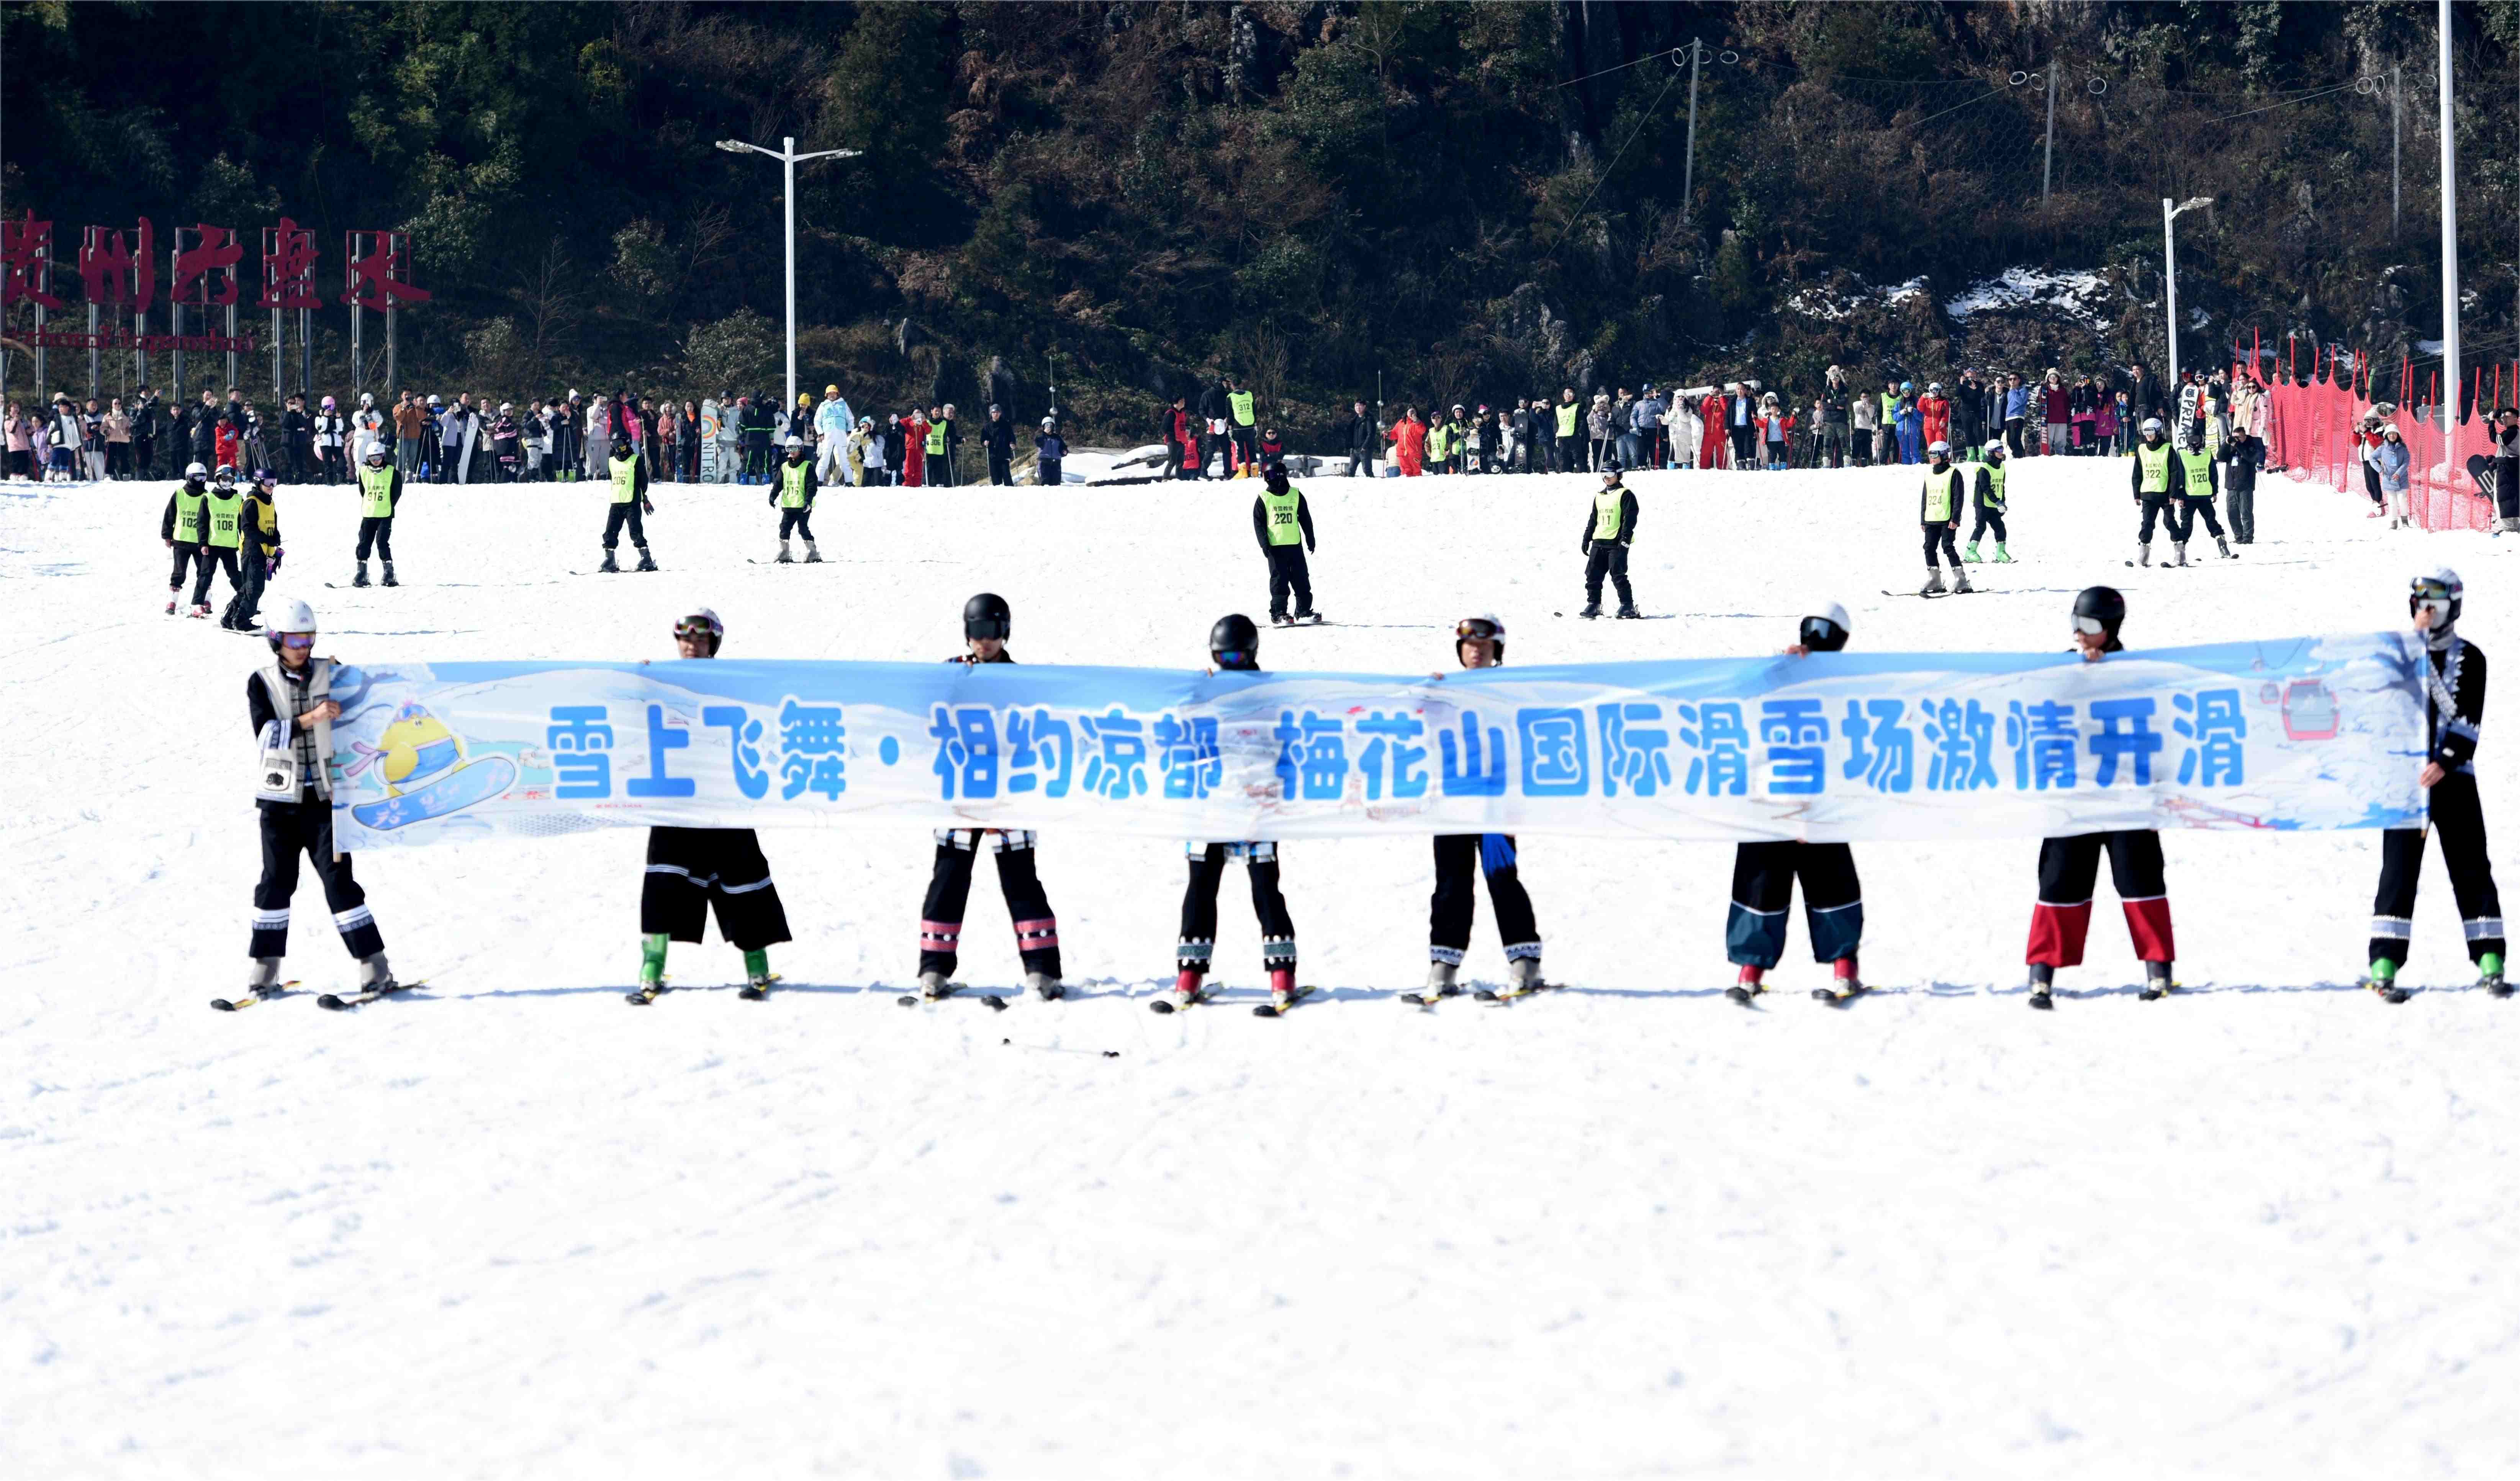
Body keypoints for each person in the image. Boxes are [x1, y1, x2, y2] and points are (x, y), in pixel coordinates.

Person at [235, 597, 396, 1006]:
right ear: (276, 640)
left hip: (327, 803)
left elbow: (373, 705)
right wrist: (312, 718)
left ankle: (374, 967)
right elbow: (267, 736)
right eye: (293, 639)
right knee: (275, 884)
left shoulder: (332, 673)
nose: (303, 646)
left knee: (339, 883)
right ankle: (264, 970)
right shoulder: (262, 682)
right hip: (279, 803)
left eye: (308, 638)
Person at [629, 608, 793, 1003]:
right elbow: (629, 712)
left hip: (724, 797)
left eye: (701, 640)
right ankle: (652, 967)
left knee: (743, 879)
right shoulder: (662, 677)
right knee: (663, 882)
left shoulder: (730, 682)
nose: (691, 646)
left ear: (713, 644)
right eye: (685, 639)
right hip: (676, 800)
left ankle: (757, 966)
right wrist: (640, 680)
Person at [2024, 587, 2174, 1010]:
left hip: (2128, 796)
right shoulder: (2063, 672)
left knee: (2140, 879)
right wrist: (2079, 677)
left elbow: (2159, 727)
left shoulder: (2137, 673)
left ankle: (2158, 966)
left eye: (2087, 626)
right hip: (2076, 797)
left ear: (2110, 629)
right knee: (2060, 880)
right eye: (2075, 624)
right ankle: (2042, 972)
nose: (2078, 633)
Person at [912, 593, 1066, 1003]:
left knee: (1020, 879)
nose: (985, 642)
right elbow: (920, 711)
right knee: (948, 878)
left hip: (1008, 795)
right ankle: (934, 968)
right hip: (961, 793)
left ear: (1005, 633)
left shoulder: (1019, 681)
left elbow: (1044, 724)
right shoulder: (951, 675)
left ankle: (1042, 970)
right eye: (978, 633)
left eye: (993, 632)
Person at [2366, 568, 2505, 1001]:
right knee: (2398, 873)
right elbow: (2384, 708)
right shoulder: (2399, 657)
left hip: (2454, 781)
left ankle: (2490, 959)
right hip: (2404, 786)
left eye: (2433, 605)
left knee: (2471, 866)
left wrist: (2445, 762)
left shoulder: (2472, 658)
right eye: (2418, 604)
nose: (2424, 612)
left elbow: (2469, 721)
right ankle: (2384, 962)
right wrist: (2414, 646)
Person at [1158, 615, 1300, 1015]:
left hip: (1257, 806)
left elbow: (1288, 743)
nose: (1232, 665)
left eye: (1238, 656)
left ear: (1252, 652)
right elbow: (1176, 731)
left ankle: (1281, 974)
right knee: (1201, 888)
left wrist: (1281, 796)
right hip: (1211, 807)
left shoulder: (1269, 694)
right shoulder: (1207, 693)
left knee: (1266, 889)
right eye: (1224, 657)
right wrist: (1195, 691)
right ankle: (1189, 975)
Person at [1725, 602, 1866, 1005]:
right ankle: (1753, 973)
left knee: (1819, 882)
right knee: (1768, 882)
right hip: (1782, 799)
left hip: (1807, 800)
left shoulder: (1843, 682)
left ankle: (1840, 971)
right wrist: (1781, 665)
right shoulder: (1780, 671)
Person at [1415, 615, 1547, 1002]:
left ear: (1496, 652)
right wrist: (1424, 696)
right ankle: (1445, 965)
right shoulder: (1445, 692)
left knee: (1503, 880)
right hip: (1452, 804)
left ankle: (1525, 961)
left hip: (1496, 809)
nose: (1476, 652)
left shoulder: (1508, 694)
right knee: (1451, 886)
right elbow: (1411, 727)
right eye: (1470, 647)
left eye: (1485, 648)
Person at [1254, 459, 1319, 625]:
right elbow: (1259, 523)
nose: (1268, 478)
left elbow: (1305, 518)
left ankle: (1303, 612)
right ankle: (1279, 613)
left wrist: (1310, 539)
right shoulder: (1264, 498)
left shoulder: (1295, 495)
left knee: (1302, 579)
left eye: (1270, 475)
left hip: (1294, 546)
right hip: (1275, 549)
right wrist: (1264, 544)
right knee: (1279, 581)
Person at [221, 470, 282, 631]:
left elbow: (271, 525)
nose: (271, 487)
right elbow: (248, 529)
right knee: (255, 588)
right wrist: (267, 539)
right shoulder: (251, 502)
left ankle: (229, 617)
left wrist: (275, 538)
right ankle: (241, 620)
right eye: (268, 483)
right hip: (252, 549)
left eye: (274, 483)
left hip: (264, 550)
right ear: (258, 483)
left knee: (249, 586)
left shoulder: (270, 502)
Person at [1578, 458, 1639, 619]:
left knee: (1618, 574)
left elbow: (1630, 518)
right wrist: (1587, 538)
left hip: (1616, 542)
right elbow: (1593, 519)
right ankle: (1594, 604)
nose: (1607, 477)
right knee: (1592, 575)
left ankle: (1628, 605)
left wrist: (1625, 538)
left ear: (1619, 475)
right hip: (1599, 541)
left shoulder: (1625, 495)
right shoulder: (1599, 496)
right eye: (1604, 473)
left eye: (1610, 473)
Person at [2167, 424, 2234, 563]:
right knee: (2186, 526)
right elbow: (2179, 476)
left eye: (2197, 438)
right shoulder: (2183, 454)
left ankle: (2223, 547)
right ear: (2187, 440)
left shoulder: (2207, 453)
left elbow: (2213, 473)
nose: (2195, 442)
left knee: (2212, 522)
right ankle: (2180, 554)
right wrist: (2180, 496)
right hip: (2188, 496)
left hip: (2205, 495)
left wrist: (2215, 491)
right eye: (2192, 439)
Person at [1916, 440, 1970, 596]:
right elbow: (1925, 498)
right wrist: (1923, 519)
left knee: (1948, 547)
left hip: (1947, 519)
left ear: (1944, 455)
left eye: (1934, 454)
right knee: (1929, 548)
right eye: (1930, 454)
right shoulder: (1929, 475)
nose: (1931, 458)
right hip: (1931, 518)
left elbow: (1958, 498)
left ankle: (1961, 579)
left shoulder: (1954, 473)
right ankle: (1935, 580)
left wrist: (1956, 518)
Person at [161, 460, 215, 616]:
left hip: (201, 543)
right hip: (181, 541)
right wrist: (167, 535)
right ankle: (172, 601)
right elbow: (169, 515)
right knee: (179, 573)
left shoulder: (208, 497)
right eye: (198, 478)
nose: (202, 482)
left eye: (204, 478)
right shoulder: (179, 494)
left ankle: (206, 599)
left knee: (204, 573)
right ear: (190, 478)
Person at [598, 438, 657, 573]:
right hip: (616, 502)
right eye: (617, 445)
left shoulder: (636, 460)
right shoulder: (612, 461)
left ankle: (646, 559)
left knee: (635, 531)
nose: (620, 449)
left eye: (622, 445)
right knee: (610, 532)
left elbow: (643, 482)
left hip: (632, 503)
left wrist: (645, 500)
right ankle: (610, 560)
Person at [350, 443, 404, 589]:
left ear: (383, 456)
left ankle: (389, 573)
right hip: (368, 514)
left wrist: (388, 505)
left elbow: (396, 493)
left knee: (382, 543)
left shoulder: (392, 472)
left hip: (385, 514)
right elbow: (363, 491)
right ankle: (362, 573)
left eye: (378, 458)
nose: (375, 461)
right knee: (364, 543)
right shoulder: (363, 472)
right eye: (372, 458)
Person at [2128, 416, 2178, 568]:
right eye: (2145, 433)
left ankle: (2180, 554)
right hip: (2148, 493)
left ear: (2158, 431)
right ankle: (2143, 557)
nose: (2148, 435)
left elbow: (2175, 473)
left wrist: (2173, 494)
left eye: (2150, 432)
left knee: (2169, 522)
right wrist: (2136, 494)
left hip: (2165, 494)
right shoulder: (2142, 449)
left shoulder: (2168, 448)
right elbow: (2137, 473)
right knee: (2147, 524)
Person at [769, 434, 821, 563]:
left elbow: (812, 486)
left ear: (801, 449)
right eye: (788, 449)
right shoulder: (785, 467)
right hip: (789, 505)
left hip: (803, 505)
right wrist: (773, 495)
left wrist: (808, 501)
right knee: (784, 528)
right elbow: (778, 484)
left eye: (794, 448)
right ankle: (784, 552)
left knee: (803, 528)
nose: (791, 452)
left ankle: (812, 552)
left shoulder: (807, 466)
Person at [1960, 440, 2012, 564]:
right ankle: (1970, 552)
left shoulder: (2002, 467)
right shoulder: (1984, 469)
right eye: (1999, 450)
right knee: (1981, 527)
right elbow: (1986, 488)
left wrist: (2002, 501)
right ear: (1991, 453)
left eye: (2002, 449)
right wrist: (1998, 502)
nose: (2002, 452)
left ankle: (2001, 553)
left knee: (2000, 528)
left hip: (1994, 503)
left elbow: (2001, 486)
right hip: (1982, 503)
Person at [2223, 425, 2263, 544]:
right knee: (2232, 513)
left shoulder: (2251, 445)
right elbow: (2221, 457)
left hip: (2245, 486)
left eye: (2239, 438)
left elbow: (2250, 458)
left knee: (2246, 512)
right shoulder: (2232, 448)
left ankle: (2248, 537)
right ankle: (2239, 536)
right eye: (2235, 437)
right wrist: (2226, 444)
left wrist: (2238, 445)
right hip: (2231, 485)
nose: (2236, 440)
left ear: (2244, 437)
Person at [2373, 423, 2413, 530]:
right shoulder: (2382, 449)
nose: (2392, 436)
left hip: (2402, 479)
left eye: (2394, 434)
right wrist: (2380, 469)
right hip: (2389, 479)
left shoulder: (2403, 449)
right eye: (2390, 434)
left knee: (2402, 500)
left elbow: (2406, 461)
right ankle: (2394, 523)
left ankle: (2405, 522)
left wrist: (2399, 473)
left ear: (2398, 435)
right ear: (2386, 435)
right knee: (2392, 502)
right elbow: (2372, 458)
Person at [2491, 407, 2520, 536]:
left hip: (2507, 470)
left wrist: (2492, 421)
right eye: (2504, 417)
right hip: (2513, 468)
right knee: (2512, 496)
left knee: (2503, 497)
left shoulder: (2512, 432)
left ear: (2516, 419)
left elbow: (2495, 438)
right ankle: (2513, 526)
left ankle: (2507, 528)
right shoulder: (2515, 432)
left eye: (2508, 417)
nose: (2505, 419)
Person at [1224, 377, 1258, 476]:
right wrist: (1255, 425)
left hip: (1238, 426)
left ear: (1232, 386)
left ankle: (1243, 473)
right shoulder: (1249, 394)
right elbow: (1254, 411)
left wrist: (1230, 429)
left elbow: (1229, 415)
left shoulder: (1231, 397)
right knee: (1252, 449)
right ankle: (1255, 472)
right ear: (1241, 384)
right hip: (1250, 425)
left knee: (1241, 450)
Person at [982, 403, 1015, 486]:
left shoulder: (1006, 425)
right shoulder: (987, 426)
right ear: (991, 414)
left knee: (1007, 477)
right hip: (993, 455)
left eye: (997, 412)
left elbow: (1011, 436)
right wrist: (984, 443)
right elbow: (983, 439)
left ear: (1000, 413)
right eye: (993, 413)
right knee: (996, 480)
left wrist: (1012, 443)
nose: (995, 414)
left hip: (1004, 454)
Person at [1342, 399, 1377, 478]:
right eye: (1356, 406)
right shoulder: (1354, 420)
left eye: (1360, 405)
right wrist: (1350, 446)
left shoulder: (1369, 418)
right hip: (1354, 450)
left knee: (1367, 470)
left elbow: (1371, 434)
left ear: (1364, 407)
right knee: (1351, 471)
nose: (1358, 408)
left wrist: (1364, 447)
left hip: (1365, 449)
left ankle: (1374, 485)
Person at [1555, 387, 1583, 473]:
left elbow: (1582, 422)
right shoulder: (1558, 408)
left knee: (1578, 457)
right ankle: (1565, 475)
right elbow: (1556, 423)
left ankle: (1580, 474)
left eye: (1570, 394)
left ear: (1574, 396)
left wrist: (1580, 432)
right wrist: (1556, 434)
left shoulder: (1577, 406)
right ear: (1564, 396)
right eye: (1566, 394)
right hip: (1562, 436)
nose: (1568, 396)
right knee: (1563, 457)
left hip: (1573, 435)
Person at [1035, 416, 1065, 487]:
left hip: (1056, 462)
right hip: (1044, 462)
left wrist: (1065, 451)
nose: (1049, 427)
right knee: (1045, 483)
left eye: (1050, 425)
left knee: (1056, 484)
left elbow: (1063, 447)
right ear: (1043, 427)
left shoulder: (1057, 437)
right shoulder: (1040, 436)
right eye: (1047, 425)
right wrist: (1044, 434)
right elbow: (1037, 443)